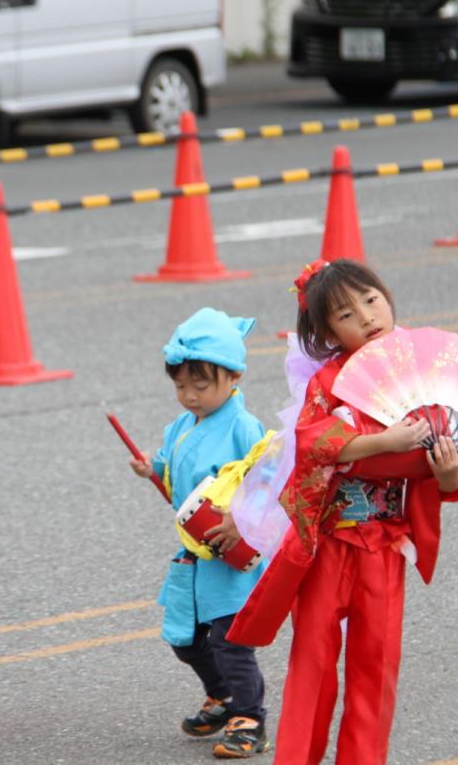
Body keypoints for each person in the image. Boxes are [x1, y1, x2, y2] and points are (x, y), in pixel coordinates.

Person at [226, 259, 458, 765]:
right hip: (327, 546)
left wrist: (447, 475)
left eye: (371, 299)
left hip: (384, 546)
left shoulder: (422, 377)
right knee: (312, 663)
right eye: (345, 312)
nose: (366, 316)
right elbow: (312, 440)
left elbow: (445, 474)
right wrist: (380, 441)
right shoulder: (329, 381)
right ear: (325, 331)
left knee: (375, 668)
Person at [129, 307, 271, 759]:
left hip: (232, 551)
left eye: (201, 385)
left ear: (234, 377)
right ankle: (222, 696)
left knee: (230, 641)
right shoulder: (182, 425)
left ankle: (250, 717)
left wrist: (243, 520)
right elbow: (170, 463)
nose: (189, 395)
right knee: (186, 638)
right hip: (193, 550)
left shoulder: (244, 426)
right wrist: (150, 466)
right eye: (180, 386)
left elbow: (267, 480)